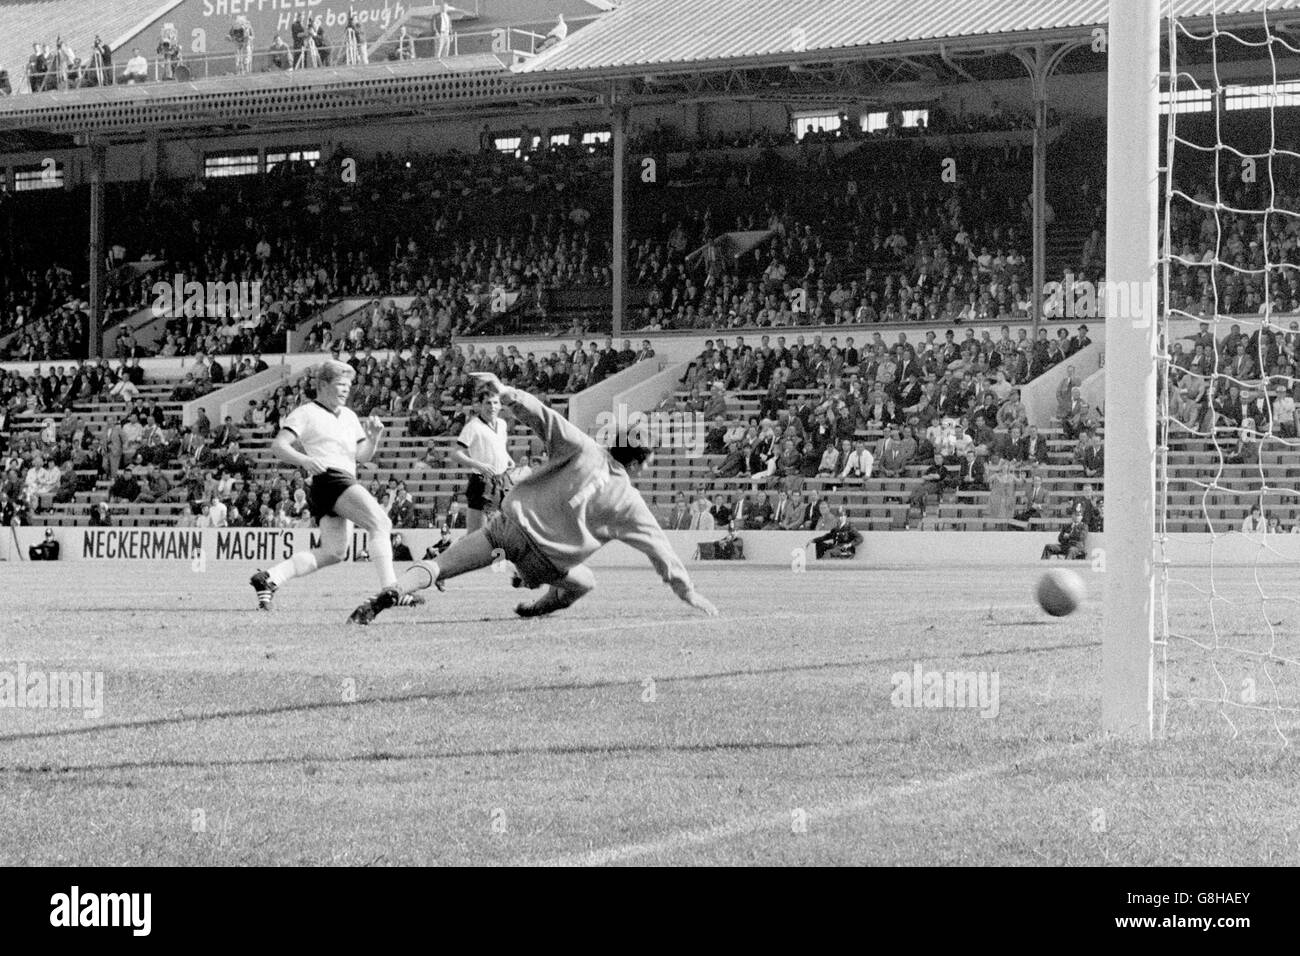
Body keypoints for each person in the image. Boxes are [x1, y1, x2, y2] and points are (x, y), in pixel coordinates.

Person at [348, 373, 718, 624]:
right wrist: (688, 593)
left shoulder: (583, 448)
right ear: (639, 462)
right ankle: (535, 607)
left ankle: (393, 590)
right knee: (585, 581)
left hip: (506, 528)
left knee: (440, 566)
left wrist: (504, 390)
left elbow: (542, 415)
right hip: (545, 562)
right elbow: (661, 552)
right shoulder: (629, 501)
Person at [248, 361, 399, 611]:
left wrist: (374, 438)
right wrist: (305, 460)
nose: (345, 390)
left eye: (348, 386)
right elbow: (279, 445)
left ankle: (270, 578)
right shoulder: (306, 412)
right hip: (330, 479)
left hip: (340, 480)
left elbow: (362, 456)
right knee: (381, 523)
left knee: (334, 552)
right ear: (323, 384)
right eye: (340, 385)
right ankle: (392, 590)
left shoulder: (349, 416)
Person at [453, 385, 513, 532]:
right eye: (487, 403)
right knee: (476, 534)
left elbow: (499, 446)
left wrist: (507, 458)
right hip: (482, 482)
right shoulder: (473, 426)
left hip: (502, 480)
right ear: (480, 405)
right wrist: (479, 465)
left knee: (506, 528)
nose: (492, 407)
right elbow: (456, 453)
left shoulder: (502, 424)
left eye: (495, 403)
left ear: (500, 405)